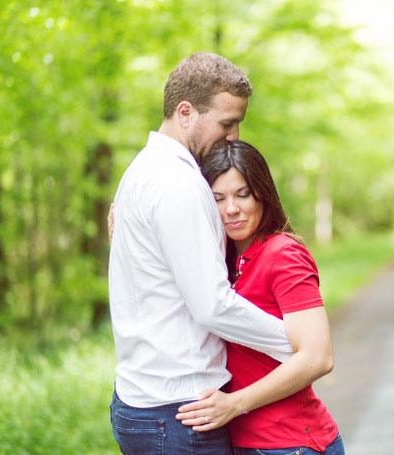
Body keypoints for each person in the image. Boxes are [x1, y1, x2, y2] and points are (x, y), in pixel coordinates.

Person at [108, 52, 293, 455]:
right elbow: (212, 305)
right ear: (186, 112)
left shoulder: (140, 172)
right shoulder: (178, 183)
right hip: (180, 412)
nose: (235, 137)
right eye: (227, 123)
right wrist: (295, 345)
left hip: (147, 402)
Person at [174, 140, 344, 455]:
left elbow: (319, 357)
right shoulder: (216, 264)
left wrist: (234, 404)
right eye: (218, 199)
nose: (231, 209)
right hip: (243, 442)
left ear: (262, 194)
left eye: (243, 194)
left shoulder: (283, 254)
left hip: (290, 444)